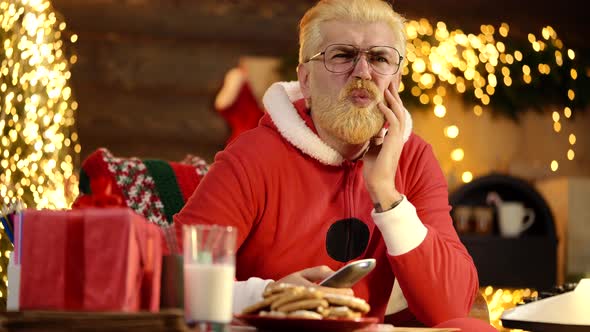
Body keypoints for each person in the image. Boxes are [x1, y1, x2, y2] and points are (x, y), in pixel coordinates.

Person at [176, 0, 494, 329]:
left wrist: (387, 194)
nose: (362, 72)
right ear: (306, 79)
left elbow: (453, 307)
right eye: (342, 55)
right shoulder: (252, 156)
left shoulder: (413, 158)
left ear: (395, 81)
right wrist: (270, 296)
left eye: (379, 58)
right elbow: (171, 277)